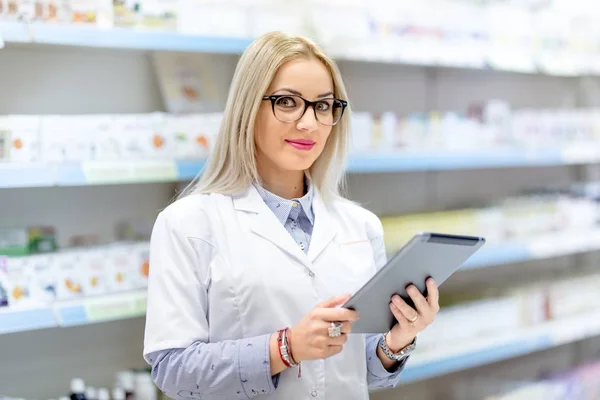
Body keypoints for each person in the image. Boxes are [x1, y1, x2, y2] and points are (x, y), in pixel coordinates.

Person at [143, 31, 440, 400]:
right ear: (249, 108)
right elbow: (173, 370)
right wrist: (286, 348)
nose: (308, 124)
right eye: (287, 102)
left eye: (323, 106)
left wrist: (398, 340)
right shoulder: (188, 224)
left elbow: (362, 372)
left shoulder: (360, 226)